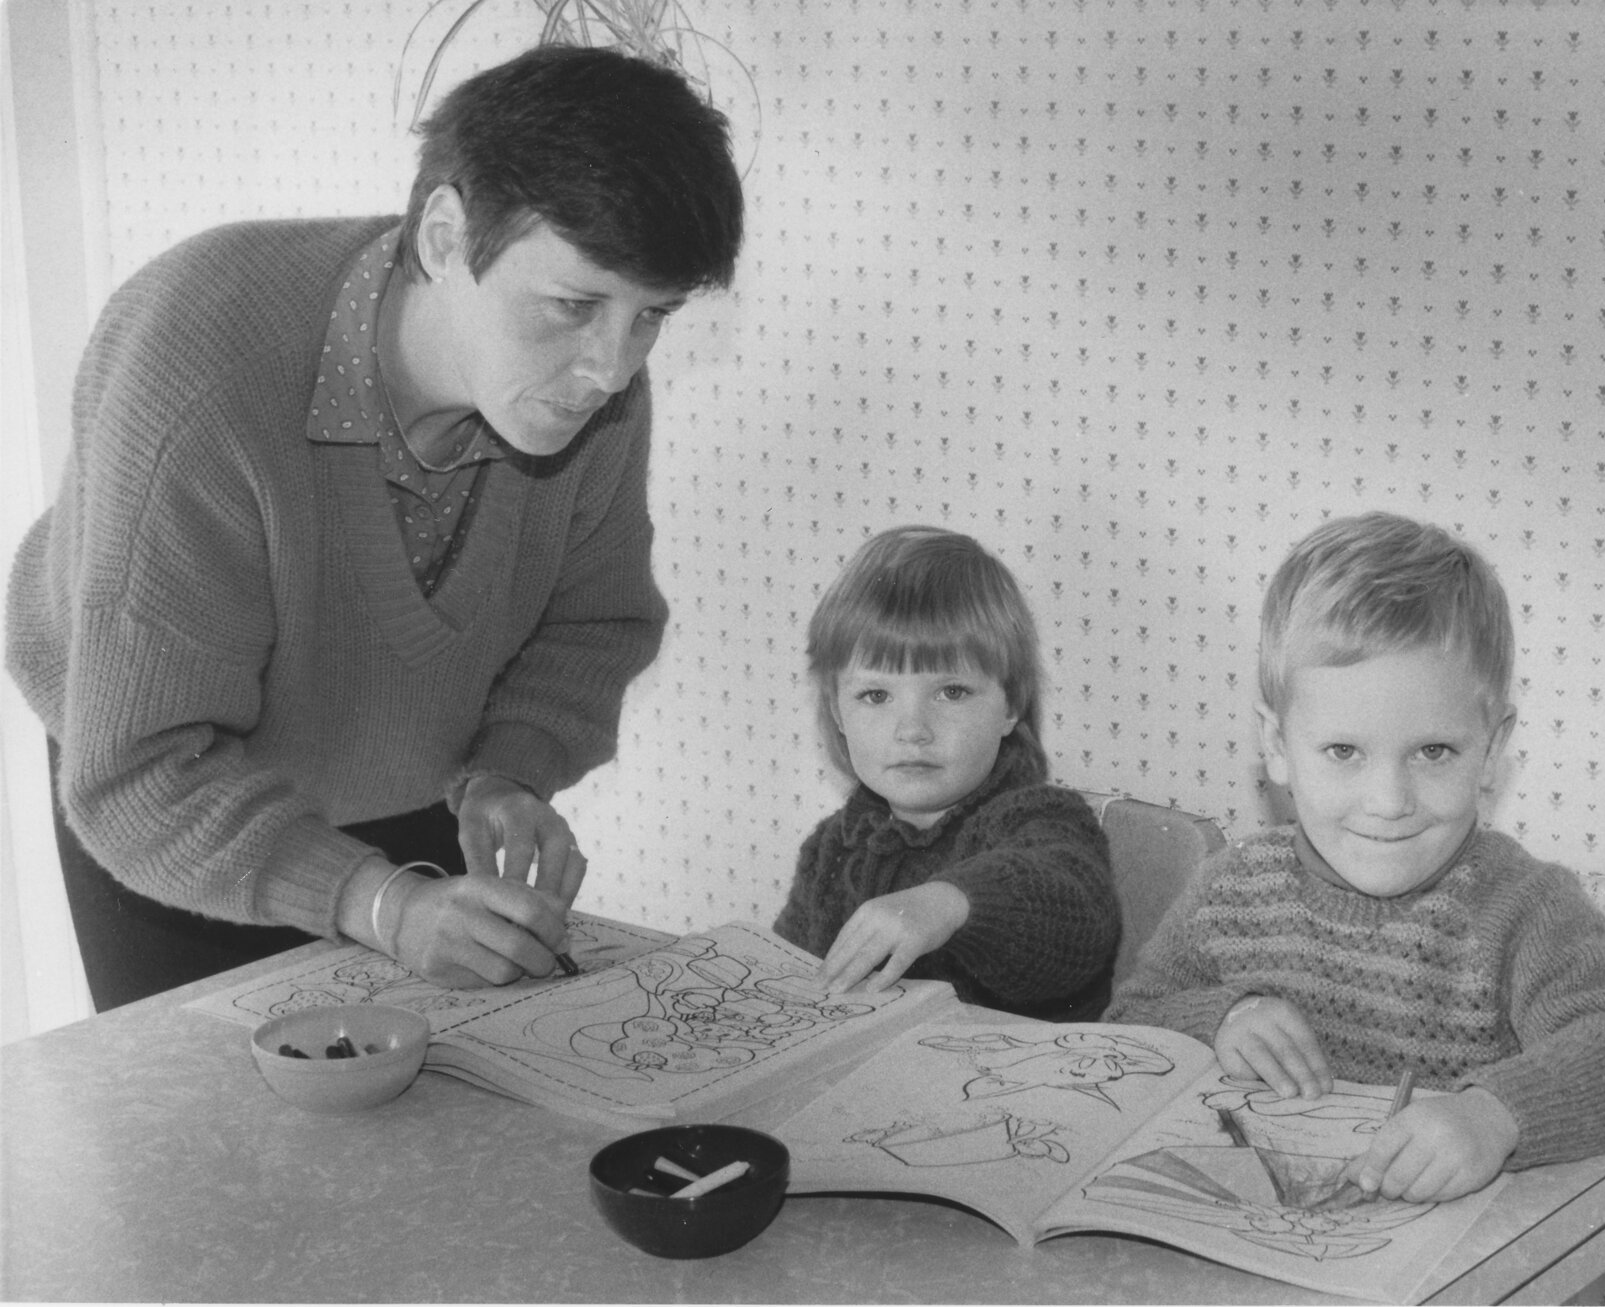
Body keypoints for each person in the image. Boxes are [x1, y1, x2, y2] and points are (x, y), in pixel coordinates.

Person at [6, 44, 745, 1009]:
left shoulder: (587, 388)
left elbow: (593, 621)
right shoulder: (198, 374)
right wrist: (380, 904)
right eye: (573, 305)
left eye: (653, 315)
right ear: (445, 236)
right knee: (220, 1139)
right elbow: (137, 773)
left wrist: (505, 775)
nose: (611, 367)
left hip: (407, 784)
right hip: (174, 804)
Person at [1106, 511, 1605, 1204]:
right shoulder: (1231, 889)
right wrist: (1220, 1017)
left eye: (1432, 751)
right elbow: (1128, 1029)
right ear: (1278, 745)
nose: (1387, 800)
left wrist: (1493, 1116)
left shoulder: (1523, 908)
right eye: (1343, 751)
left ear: (1490, 749)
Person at [773, 525, 1121, 1021]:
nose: (913, 729)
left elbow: (1076, 919)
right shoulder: (831, 849)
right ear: (837, 713)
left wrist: (951, 904)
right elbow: (791, 979)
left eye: (951, 692)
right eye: (876, 695)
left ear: (1011, 705)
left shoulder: (1043, 822)